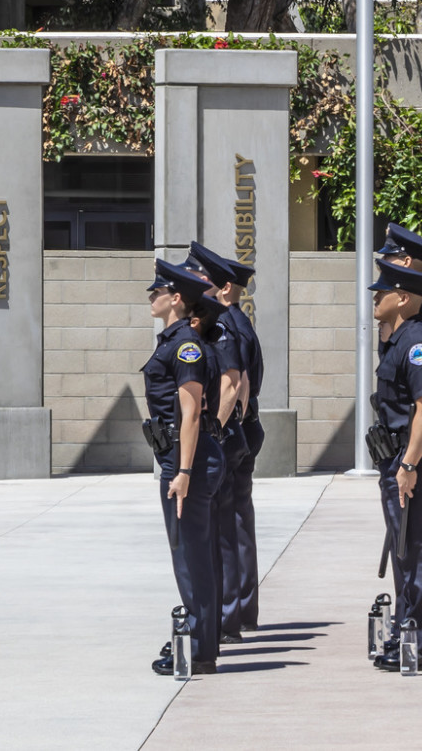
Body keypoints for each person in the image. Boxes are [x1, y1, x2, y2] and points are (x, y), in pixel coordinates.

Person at [143, 259, 229, 676]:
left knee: (191, 558)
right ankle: (201, 641)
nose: (151, 296)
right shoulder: (176, 341)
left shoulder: (185, 346)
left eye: (156, 291)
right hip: (183, 459)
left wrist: (183, 471)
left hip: (186, 462)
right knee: (193, 555)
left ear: (176, 299)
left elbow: (191, 414)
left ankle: (199, 648)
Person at [366, 258, 422, 671]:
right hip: (399, 457)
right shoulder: (399, 339)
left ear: (402, 298)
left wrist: (408, 465)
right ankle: (409, 631)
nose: (375, 297)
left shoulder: (417, 342)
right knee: (406, 551)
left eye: (382, 292)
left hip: (413, 459)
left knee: (416, 551)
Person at [202, 244, 265, 639]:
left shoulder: (224, 322)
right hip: (243, 426)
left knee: (226, 522)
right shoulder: (240, 320)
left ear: (224, 289)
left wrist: (219, 427)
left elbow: (235, 381)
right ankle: (242, 607)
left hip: (232, 428)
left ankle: (231, 612)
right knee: (238, 519)